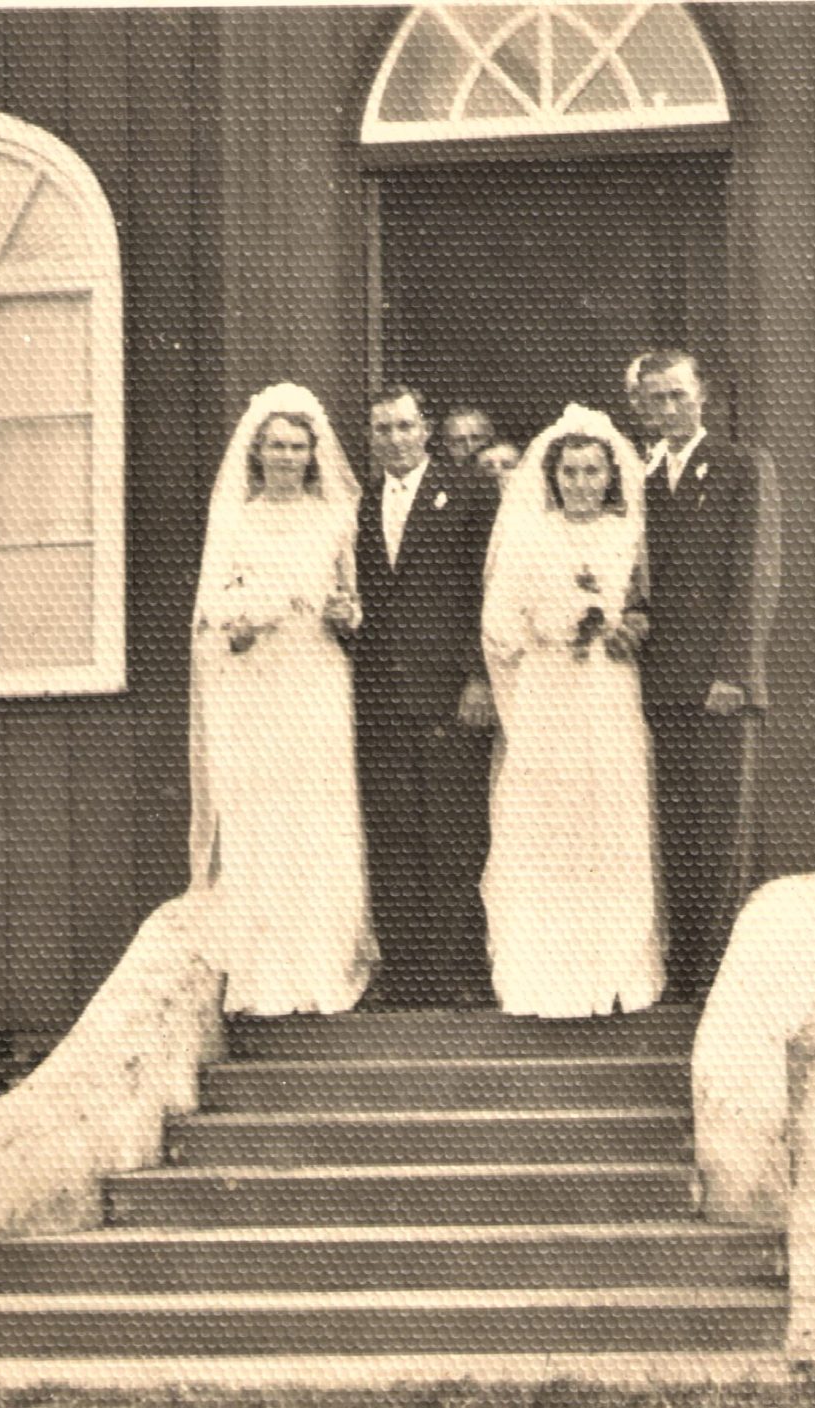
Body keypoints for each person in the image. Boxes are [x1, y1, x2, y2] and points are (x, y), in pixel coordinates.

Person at [188, 383, 376, 1016]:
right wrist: (246, 618)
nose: (287, 457)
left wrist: (347, 613)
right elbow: (213, 607)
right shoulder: (235, 518)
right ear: (257, 451)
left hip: (316, 676)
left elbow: (351, 603)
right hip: (257, 682)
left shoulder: (335, 517)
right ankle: (265, 972)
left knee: (317, 813)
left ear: (313, 453)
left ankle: (321, 964)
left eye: (298, 446)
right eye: (276, 446)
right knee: (262, 812)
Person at [479, 405, 665, 1017]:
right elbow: (500, 628)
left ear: (611, 476)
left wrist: (626, 631)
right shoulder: (529, 536)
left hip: (609, 692)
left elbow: (645, 609)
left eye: (592, 473)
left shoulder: (628, 534)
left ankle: (615, 969)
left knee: (610, 817)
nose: (581, 484)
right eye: (570, 472)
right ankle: (548, 972)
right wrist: (553, 632)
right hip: (548, 693)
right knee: (548, 824)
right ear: (551, 477)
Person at [633, 351, 781, 1003]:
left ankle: (717, 975)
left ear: (703, 398)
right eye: (655, 399)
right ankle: (685, 969)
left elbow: (755, 575)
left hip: (718, 685)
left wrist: (734, 672)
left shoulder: (740, 466)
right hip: (657, 681)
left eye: (678, 396)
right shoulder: (637, 476)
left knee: (719, 831)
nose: (667, 410)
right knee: (675, 831)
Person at [352, 386, 501, 1008]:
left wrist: (478, 675)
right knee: (394, 832)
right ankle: (408, 973)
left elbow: (484, 589)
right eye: (382, 429)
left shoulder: (468, 492)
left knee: (455, 831)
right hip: (381, 694)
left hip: (448, 688)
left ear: (425, 429)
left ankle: (459, 972)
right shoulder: (360, 504)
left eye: (404, 427)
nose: (394, 439)